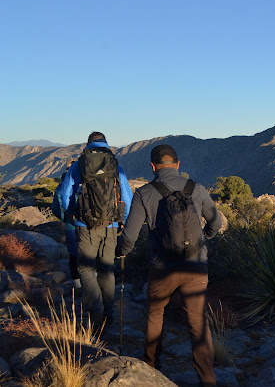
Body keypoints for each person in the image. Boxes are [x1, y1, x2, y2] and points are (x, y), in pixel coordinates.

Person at [117, 144, 222, 387]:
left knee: (155, 313)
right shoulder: (195, 188)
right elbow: (216, 222)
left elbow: (130, 237)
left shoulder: (144, 193)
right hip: (195, 266)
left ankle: (151, 366)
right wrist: (204, 237)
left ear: (152, 167)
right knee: (197, 320)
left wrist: (121, 251)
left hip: (162, 267)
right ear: (178, 164)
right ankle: (208, 379)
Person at [60, 132, 133, 330]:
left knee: (85, 269)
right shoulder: (116, 165)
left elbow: (65, 195)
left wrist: (71, 215)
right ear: (106, 143)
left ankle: (96, 310)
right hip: (111, 225)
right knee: (107, 270)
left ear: (88, 143)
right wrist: (123, 221)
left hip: (85, 225)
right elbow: (127, 195)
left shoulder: (78, 164)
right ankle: (108, 314)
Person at [51, 159, 81, 289]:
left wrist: (65, 218)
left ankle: (77, 282)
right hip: (87, 224)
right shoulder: (86, 183)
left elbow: (56, 208)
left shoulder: (62, 185)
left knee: (74, 253)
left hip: (71, 225)